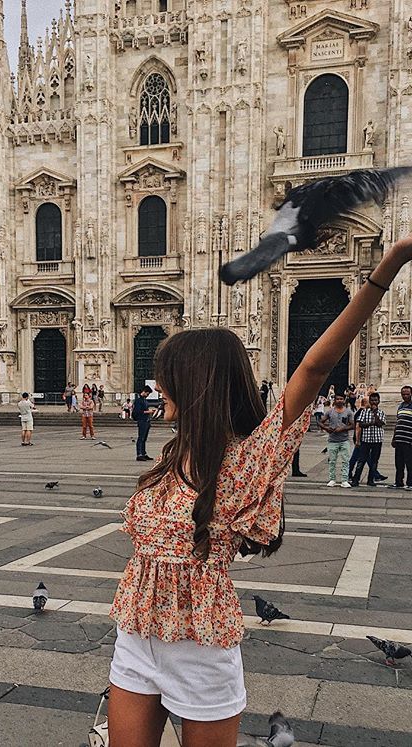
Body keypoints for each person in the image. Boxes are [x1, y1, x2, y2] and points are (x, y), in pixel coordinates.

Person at [107, 231, 412, 746]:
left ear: (196, 382)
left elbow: (313, 368)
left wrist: (391, 265)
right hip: (136, 634)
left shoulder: (247, 460)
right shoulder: (170, 454)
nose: (157, 388)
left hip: (201, 645)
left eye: (166, 379)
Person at [351, 393, 387, 487]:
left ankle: (371, 480)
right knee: (361, 460)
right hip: (365, 440)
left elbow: (380, 423)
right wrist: (370, 423)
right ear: (370, 402)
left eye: (375, 400)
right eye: (372, 400)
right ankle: (356, 479)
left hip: (377, 440)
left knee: (375, 461)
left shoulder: (381, 412)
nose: (374, 402)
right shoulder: (364, 412)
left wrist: (375, 414)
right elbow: (361, 424)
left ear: (379, 401)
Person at [320, 393, 354, 487]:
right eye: (337, 399)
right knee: (332, 461)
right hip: (332, 440)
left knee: (345, 460)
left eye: (341, 399)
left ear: (344, 400)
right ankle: (332, 479)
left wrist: (343, 428)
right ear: (334, 400)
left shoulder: (348, 412)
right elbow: (321, 421)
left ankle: (344, 479)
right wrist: (326, 428)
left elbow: (353, 425)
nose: (339, 401)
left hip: (344, 440)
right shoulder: (330, 412)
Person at [390, 385, 412, 489]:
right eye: (403, 394)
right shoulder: (401, 406)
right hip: (399, 438)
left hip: (409, 440)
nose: (405, 396)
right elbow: (398, 422)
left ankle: (410, 483)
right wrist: (394, 437)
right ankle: (399, 482)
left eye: (407, 394)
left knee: (410, 463)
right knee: (399, 463)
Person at [348, 396, 369, 480]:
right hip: (359, 438)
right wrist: (357, 440)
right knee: (356, 457)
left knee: (364, 457)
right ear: (365, 403)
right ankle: (348, 472)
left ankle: (375, 473)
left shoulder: (360, 411)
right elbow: (358, 427)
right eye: (369, 402)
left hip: (360, 437)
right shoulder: (361, 412)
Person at [133, 385, 154, 462]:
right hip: (142, 421)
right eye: (147, 393)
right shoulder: (138, 401)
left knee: (144, 438)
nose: (148, 395)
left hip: (146, 421)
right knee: (140, 438)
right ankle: (139, 454)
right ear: (144, 392)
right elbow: (137, 412)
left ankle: (143, 453)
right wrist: (149, 411)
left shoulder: (144, 400)